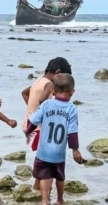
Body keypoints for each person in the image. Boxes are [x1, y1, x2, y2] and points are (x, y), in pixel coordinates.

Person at [25, 73, 84, 205]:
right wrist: (75, 150)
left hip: (44, 151)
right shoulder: (72, 109)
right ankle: (60, 199)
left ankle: (45, 203)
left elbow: (33, 121)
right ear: (72, 92)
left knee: (45, 177)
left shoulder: (46, 104)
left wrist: (28, 131)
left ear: (52, 91)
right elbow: (72, 132)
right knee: (59, 176)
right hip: (59, 152)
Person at [22, 57, 72, 188]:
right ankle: (39, 188)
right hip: (38, 127)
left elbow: (24, 93)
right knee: (48, 160)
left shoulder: (38, 81)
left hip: (29, 123)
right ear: (57, 72)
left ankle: (38, 187)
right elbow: (43, 100)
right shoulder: (50, 84)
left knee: (42, 157)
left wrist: (32, 110)